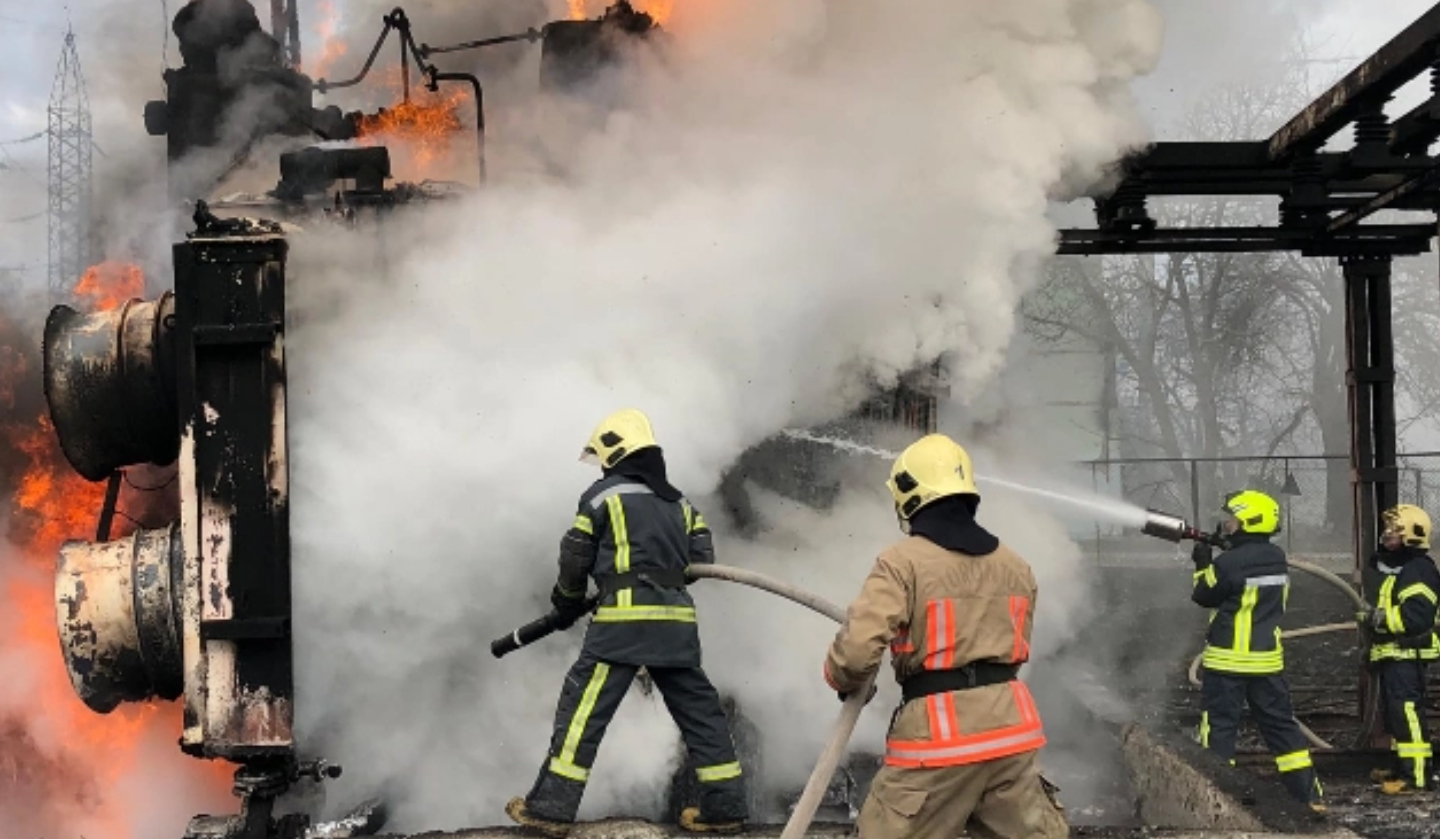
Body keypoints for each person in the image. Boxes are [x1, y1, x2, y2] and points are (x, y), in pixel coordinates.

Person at [506, 409, 748, 836]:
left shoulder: (601, 497)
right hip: (676, 626)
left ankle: (550, 809)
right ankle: (724, 808)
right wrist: (659, 568)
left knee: (583, 713)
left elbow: (575, 556)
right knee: (701, 715)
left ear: (615, 453)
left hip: (621, 626)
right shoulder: (680, 502)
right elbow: (701, 561)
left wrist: (567, 602)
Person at [823, 433, 1067, 839]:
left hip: (937, 745)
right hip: (1012, 734)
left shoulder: (901, 562)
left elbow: (855, 654)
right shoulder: (1015, 565)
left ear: (909, 494)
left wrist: (842, 679)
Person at [1190, 490, 1325, 812]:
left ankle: (1216, 801)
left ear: (1249, 522)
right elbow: (1249, 567)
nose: (1227, 524)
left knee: (1219, 729)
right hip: (1266, 662)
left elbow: (1204, 595)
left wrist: (1202, 563)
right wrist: (1231, 550)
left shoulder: (1227, 563)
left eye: (1233, 520)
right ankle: (1309, 797)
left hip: (1228, 662)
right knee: (1282, 728)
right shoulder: (1276, 557)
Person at [1360, 503, 1440, 795]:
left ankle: (1415, 774)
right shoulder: (1394, 568)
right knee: (1395, 714)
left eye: (1395, 530)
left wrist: (1381, 619)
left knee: (1407, 712)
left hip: (1407, 653)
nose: (1387, 535)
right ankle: (1400, 765)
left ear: (1412, 535)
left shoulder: (1418, 569)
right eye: (1387, 530)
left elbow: (1417, 616)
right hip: (1391, 652)